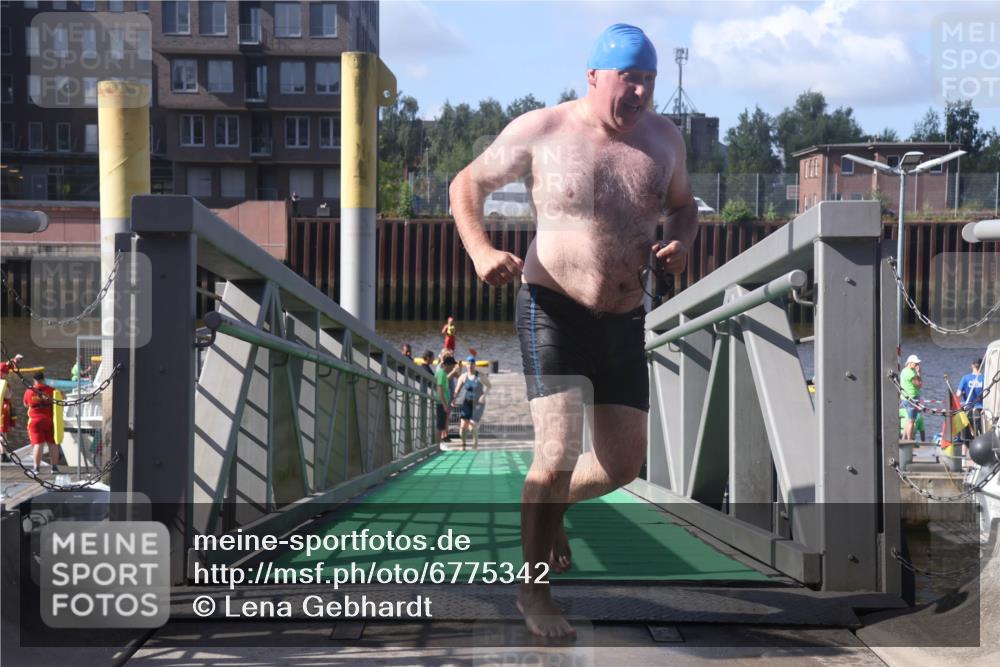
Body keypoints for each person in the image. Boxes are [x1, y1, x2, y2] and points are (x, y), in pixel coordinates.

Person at [449, 24, 697, 638]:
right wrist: (481, 250)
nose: (638, 91)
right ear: (593, 77)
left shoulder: (664, 140)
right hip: (552, 307)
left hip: (625, 316)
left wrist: (684, 243)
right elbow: (466, 185)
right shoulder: (544, 130)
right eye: (627, 78)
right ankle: (534, 596)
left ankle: (551, 506)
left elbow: (685, 205)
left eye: (648, 80)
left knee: (622, 466)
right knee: (555, 453)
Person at [22, 371, 60, 475]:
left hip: (35, 421)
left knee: (38, 444)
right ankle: (54, 468)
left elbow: (25, 404)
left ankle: (36, 469)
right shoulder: (51, 390)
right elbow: (61, 399)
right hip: (49, 420)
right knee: (52, 443)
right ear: (43, 379)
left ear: (34, 380)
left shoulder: (29, 391)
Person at [452, 356, 490, 449]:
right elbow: (457, 390)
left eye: (472, 364)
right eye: (468, 364)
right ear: (466, 365)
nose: (470, 366)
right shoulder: (463, 377)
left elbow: (489, 386)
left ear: (475, 365)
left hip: (478, 403)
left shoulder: (480, 375)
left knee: (472, 424)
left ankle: (475, 444)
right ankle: (463, 444)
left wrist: (484, 395)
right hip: (467, 403)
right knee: (463, 427)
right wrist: (454, 398)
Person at [0, 353, 24, 462]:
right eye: (6, 373)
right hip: (3, 409)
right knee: (2, 433)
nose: (7, 374)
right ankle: (3, 455)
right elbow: (8, 395)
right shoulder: (3, 383)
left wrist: (14, 360)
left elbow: (6, 365)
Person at [957, 358, 984, 436]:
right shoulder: (984, 378)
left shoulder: (965, 378)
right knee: (979, 436)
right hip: (980, 410)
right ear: (981, 366)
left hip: (967, 409)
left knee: (965, 440)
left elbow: (958, 395)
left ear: (972, 366)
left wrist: (963, 393)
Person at [899, 354, 923, 442]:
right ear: (910, 363)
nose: (917, 365)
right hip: (911, 398)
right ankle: (909, 440)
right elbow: (919, 384)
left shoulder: (904, 370)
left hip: (905, 398)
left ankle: (904, 439)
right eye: (916, 363)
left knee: (908, 419)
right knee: (912, 421)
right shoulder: (910, 372)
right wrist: (919, 373)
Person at [434, 356, 457, 444]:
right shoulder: (441, 373)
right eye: (452, 365)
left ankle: (438, 445)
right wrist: (444, 404)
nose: (452, 368)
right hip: (440, 403)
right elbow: (439, 389)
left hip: (443, 402)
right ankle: (436, 446)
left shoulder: (444, 373)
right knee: (439, 426)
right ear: (446, 364)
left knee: (442, 425)